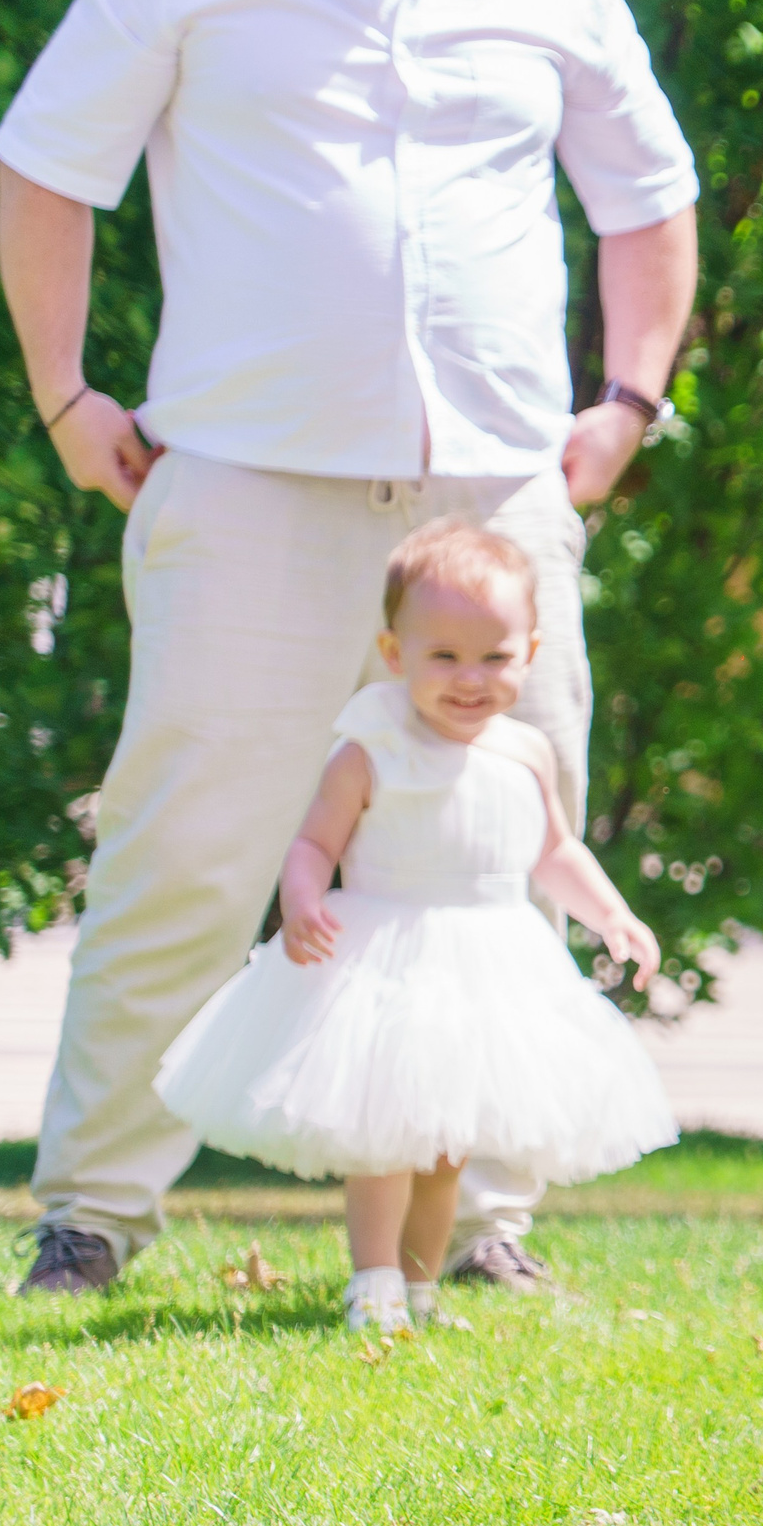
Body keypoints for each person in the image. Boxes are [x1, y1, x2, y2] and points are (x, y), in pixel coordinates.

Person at [0, 0, 701, 1294]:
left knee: (500, 849)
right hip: (246, 479)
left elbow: (649, 196)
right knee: (182, 851)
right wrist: (63, 393)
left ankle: (486, 1221)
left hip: (493, 489)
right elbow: (46, 162)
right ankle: (91, 1214)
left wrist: (629, 402)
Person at [155, 523, 677, 1333]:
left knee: (445, 1148)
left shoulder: (525, 752)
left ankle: (423, 1287)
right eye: (444, 656)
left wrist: (612, 915)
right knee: (383, 1141)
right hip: (385, 961)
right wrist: (302, 900)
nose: (470, 679)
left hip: (489, 963)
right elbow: (312, 843)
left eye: (494, 657)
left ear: (529, 653)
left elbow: (554, 850)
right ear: (395, 654)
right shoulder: (371, 748)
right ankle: (373, 1283)